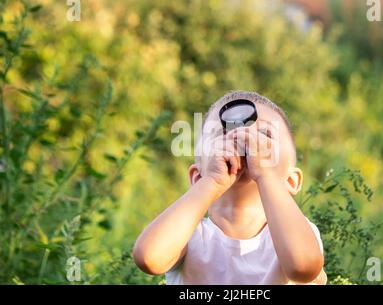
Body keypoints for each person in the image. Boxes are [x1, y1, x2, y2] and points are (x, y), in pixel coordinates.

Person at [133, 91, 327, 285]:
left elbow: (303, 267)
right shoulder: (188, 237)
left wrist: (266, 175)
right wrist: (212, 182)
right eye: (223, 134)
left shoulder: (298, 235)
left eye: (264, 134)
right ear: (198, 177)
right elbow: (148, 258)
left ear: (290, 181)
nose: (242, 138)